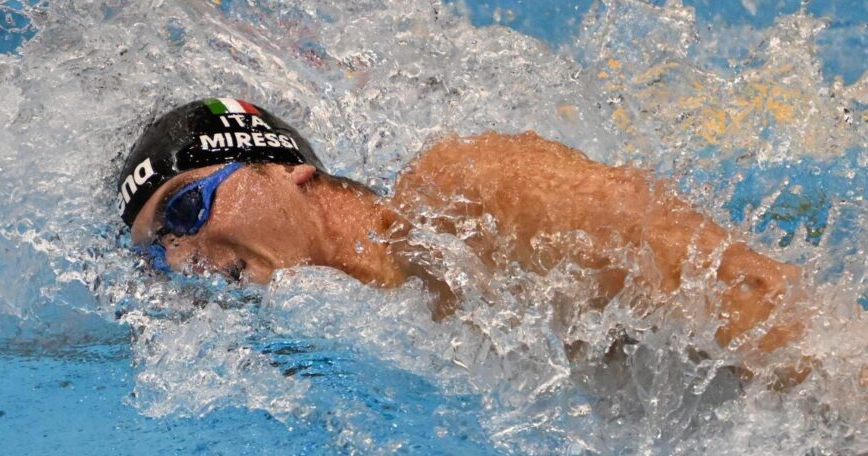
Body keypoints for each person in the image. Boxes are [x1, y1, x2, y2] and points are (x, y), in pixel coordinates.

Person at [117, 97, 811, 379]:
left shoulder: (458, 200)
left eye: (186, 210)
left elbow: (753, 294)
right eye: (158, 250)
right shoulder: (348, 350)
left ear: (291, 171)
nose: (181, 258)